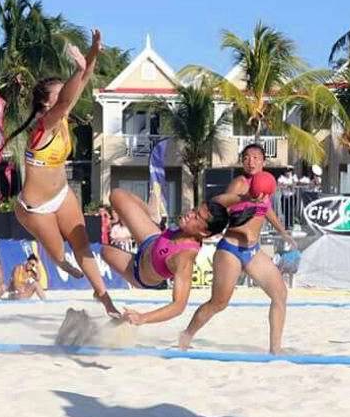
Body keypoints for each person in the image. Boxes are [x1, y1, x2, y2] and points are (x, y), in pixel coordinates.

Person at [5, 30, 120, 318]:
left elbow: (84, 78)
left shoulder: (62, 116)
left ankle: (106, 300)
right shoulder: (44, 124)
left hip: (61, 194)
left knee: (83, 246)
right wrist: (78, 69)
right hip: (34, 208)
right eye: (58, 94)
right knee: (59, 255)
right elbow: (67, 97)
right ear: (46, 103)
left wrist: (92, 51)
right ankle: (61, 263)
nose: (67, 96)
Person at [180, 144, 297, 354]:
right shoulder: (240, 183)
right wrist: (244, 199)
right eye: (246, 158)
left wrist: (283, 231)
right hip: (230, 250)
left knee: (280, 294)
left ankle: (275, 349)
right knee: (219, 303)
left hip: (252, 251)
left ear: (263, 161)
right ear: (242, 161)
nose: (251, 161)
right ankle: (186, 335)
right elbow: (217, 202)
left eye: (255, 157)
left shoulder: (266, 184)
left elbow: (267, 209)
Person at [100, 188, 250, 325]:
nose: (190, 214)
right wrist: (245, 197)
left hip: (139, 272)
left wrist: (142, 318)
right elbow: (219, 201)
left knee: (104, 252)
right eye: (194, 210)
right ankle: (151, 214)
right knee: (117, 195)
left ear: (204, 233)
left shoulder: (184, 258)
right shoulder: (196, 222)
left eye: (196, 217)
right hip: (152, 239)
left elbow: (179, 306)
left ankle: (104, 298)